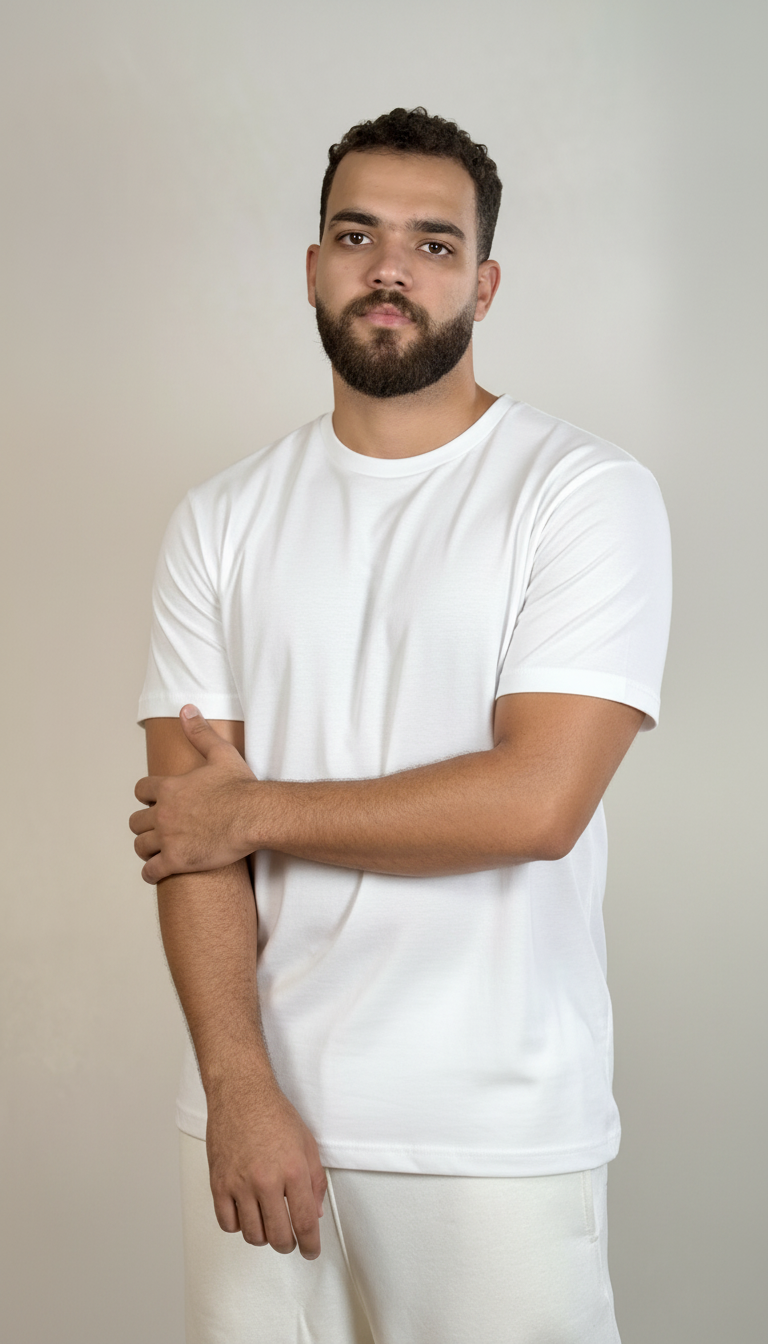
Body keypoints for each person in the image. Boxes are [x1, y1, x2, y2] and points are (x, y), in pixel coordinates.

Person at [130, 106, 672, 1344]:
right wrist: (237, 1085)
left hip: (493, 1132)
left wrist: (254, 810)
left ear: (483, 284)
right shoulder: (220, 518)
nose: (390, 267)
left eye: (434, 243)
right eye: (356, 234)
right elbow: (188, 835)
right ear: (312, 266)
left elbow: (537, 803)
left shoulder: (582, 493)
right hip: (258, 1119)